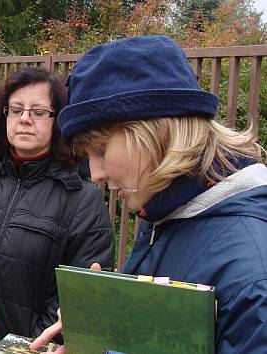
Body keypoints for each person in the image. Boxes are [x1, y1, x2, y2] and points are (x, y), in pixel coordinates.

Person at [30, 35, 267, 354]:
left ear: (154, 132)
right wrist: (106, 330)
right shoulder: (170, 212)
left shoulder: (253, 277)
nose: (96, 174)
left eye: (100, 149)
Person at [0, 66, 114, 344]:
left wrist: (24, 346)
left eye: (39, 112)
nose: (25, 119)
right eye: (16, 110)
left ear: (59, 121)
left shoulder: (81, 199)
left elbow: (79, 293)